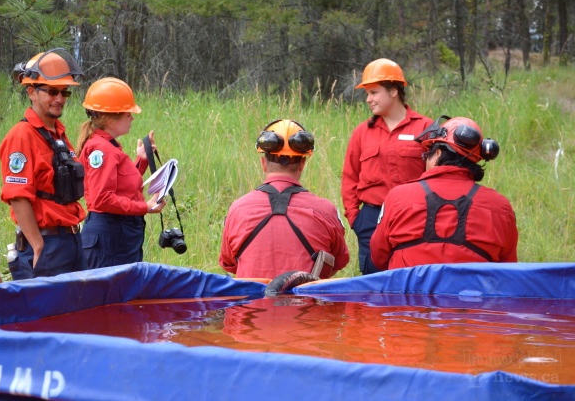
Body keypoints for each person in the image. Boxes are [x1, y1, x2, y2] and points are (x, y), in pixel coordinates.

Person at [370, 116, 518, 270]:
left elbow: (378, 256)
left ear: (438, 154)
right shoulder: (500, 206)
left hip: (409, 286)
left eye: (427, 155)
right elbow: (508, 269)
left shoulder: (398, 197)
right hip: (472, 286)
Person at [219, 120, 349, 279]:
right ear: (302, 164)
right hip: (306, 296)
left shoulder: (238, 209)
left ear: (263, 163)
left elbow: (229, 263)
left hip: (250, 296)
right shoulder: (325, 210)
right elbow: (338, 262)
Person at [0, 48, 86, 280]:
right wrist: (38, 246)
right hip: (47, 245)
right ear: (32, 92)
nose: (60, 99)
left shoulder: (58, 134)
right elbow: (18, 196)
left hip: (71, 241)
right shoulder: (22, 136)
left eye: (64, 92)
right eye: (52, 92)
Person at [341, 58, 434, 275]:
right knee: (373, 283)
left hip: (414, 218)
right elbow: (349, 177)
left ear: (393, 91)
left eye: (374, 93)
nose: (368, 99)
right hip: (371, 219)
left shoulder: (426, 128)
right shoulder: (362, 132)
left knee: (411, 279)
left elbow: (437, 176)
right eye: (367, 94)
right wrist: (355, 218)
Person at [76, 77, 166, 269]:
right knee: (112, 288)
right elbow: (103, 199)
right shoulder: (103, 150)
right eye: (128, 114)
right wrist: (145, 207)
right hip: (110, 237)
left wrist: (142, 160)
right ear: (110, 118)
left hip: (115, 235)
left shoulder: (107, 146)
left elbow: (120, 185)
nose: (132, 118)